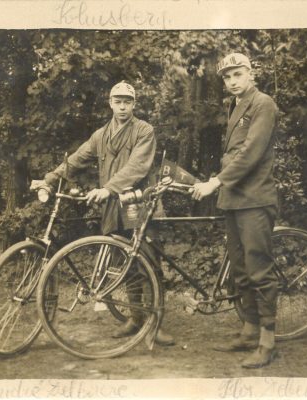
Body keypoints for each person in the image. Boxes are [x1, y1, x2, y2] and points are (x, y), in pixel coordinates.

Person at [44, 81, 175, 346]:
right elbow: (77, 160)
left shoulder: (143, 131)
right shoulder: (100, 135)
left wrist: (109, 188)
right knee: (124, 264)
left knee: (148, 263)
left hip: (140, 204)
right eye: (118, 101)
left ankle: (155, 323)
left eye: (127, 101)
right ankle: (136, 317)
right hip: (113, 207)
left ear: (134, 104)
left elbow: (138, 166)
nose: (123, 106)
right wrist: (49, 178)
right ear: (110, 103)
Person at [191, 53, 279, 368]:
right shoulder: (234, 106)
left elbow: (251, 152)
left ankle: (268, 342)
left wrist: (216, 181)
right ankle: (249, 330)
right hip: (233, 199)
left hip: (255, 199)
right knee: (240, 270)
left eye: (237, 74)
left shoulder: (263, 104)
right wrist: (220, 184)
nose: (232, 82)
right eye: (227, 77)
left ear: (250, 73)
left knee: (259, 269)